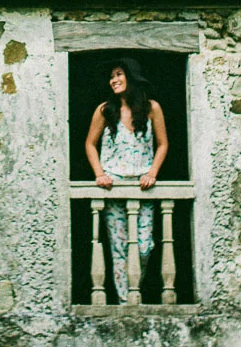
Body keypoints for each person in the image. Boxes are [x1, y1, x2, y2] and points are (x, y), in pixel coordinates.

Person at [83, 57, 169, 302]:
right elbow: (90, 144)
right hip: (114, 187)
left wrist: (152, 173)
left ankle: (135, 290)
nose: (114, 80)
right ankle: (126, 302)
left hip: (143, 186)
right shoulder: (105, 110)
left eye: (119, 74)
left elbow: (163, 144)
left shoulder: (152, 108)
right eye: (112, 77)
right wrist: (99, 173)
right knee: (119, 246)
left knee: (144, 245)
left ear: (131, 76)